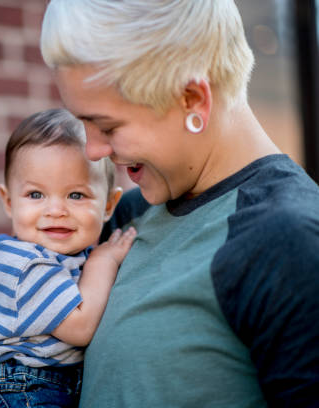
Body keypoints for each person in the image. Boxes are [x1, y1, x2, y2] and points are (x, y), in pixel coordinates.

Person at [40, 0, 319, 407]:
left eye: (106, 125)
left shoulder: (289, 240)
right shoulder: (127, 217)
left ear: (192, 99)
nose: (93, 149)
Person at [0, 108, 137, 407]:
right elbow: (79, 329)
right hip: (15, 388)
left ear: (109, 205)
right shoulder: (25, 265)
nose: (56, 210)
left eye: (76, 195)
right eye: (36, 195)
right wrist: (103, 262)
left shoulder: (61, 255)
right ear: (9, 202)